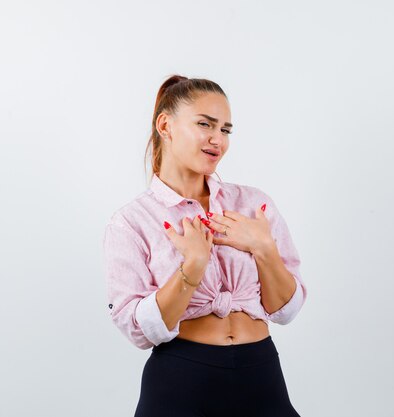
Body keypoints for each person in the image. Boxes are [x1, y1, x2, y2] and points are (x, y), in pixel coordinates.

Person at [103, 74, 307, 417]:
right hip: (181, 381)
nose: (218, 140)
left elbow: (285, 310)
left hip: (261, 375)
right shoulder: (131, 221)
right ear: (166, 125)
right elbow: (139, 331)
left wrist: (265, 249)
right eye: (205, 124)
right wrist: (191, 268)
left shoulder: (253, 204)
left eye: (226, 130)